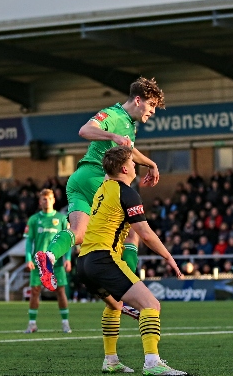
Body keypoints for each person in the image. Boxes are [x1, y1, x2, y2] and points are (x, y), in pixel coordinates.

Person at [36, 77, 164, 314]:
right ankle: (127, 286)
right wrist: (113, 137)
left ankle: (49, 256)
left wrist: (150, 164)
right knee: (132, 233)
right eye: (151, 105)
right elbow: (85, 130)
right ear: (138, 100)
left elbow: (129, 150)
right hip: (98, 179)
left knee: (79, 233)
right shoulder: (114, 115)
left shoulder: (128, 123)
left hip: (78, 179)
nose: (153, 112)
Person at [74, 146, 187, 375]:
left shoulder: (104, 187)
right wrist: (169, 257)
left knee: (113, 305)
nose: (136, 164)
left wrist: (131, 153)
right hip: (103, 259)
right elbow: (145, 233)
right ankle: (153, 363)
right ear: (124, 168)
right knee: (151, 305)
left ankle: (111, 360)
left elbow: (112, 164)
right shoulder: (127, 193)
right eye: (133, 162)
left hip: (84, 261)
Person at [24, 189, 72, 334]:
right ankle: (32, 324)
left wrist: (68, 259)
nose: (46, 201)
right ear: (40, 202)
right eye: (44, 199)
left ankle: (65, 323)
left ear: (54, 200)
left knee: (61, 290)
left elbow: (68, 241)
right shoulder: (33, 219)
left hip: (56, 263)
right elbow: (29, 241)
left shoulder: (62, 219)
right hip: (39, 263)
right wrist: (28, 259)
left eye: (49, 198)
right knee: (35, 291)